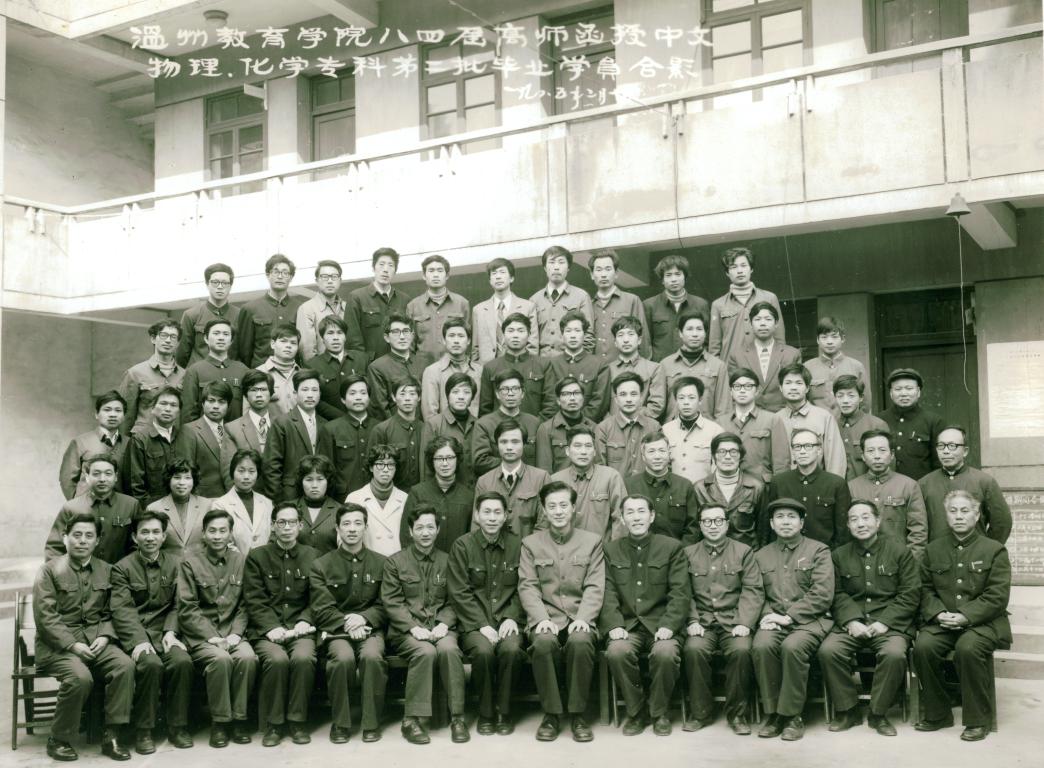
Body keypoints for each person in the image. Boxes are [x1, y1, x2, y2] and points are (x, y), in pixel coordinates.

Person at [912, 490, 1012, 742]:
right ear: (946, 516)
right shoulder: (933, 549)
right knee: (923, 647)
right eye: (953, 511)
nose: (958, 516)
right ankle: (938, 713)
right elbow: (924, 590)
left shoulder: (994, 550)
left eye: (965, 511)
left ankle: (978, 720)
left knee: (968, 648)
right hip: (942, 621)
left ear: (976, 516)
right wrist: (938, 614)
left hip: (983, 623)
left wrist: (965, 616)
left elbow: (997, 596)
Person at [34, 513, 135, 762]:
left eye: (89, 536)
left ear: (97, 540)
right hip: (57, 646)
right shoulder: (48, 571)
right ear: (65, 537)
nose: (82, 541)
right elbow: (45, 617)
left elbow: (113, 610)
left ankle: (111, 736)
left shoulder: (107, 570)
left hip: (96, 641)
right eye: (76, 535)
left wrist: (106, 636)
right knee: (80, 678)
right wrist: (72, 645)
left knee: (124, 666)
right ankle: (59, 738)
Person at [817, 499, 919, 737]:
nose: (860, 524)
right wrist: (851, 621)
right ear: (848, 525)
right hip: (852, 624)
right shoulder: (838, 555)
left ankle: (878, 713)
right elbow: (836, 593)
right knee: (828, 651)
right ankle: (848, 710)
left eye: (865, 517)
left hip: (889, 624)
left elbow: (910, 593)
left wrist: (885, 622)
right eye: (854, 519)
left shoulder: (900, 552)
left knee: (894, 654)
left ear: (878, 521)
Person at [518, 481, 605, 743]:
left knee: (581, 642)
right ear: (544, 510)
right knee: (543, 643)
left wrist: (584, 618)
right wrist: (541, 619)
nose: (558, 511)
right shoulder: (531, 544)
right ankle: (552, 714)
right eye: (552, 506)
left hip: (580, 616)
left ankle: (578, 714)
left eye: (563, 505)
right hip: (547, 616)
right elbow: (528, 585)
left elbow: (595, 585)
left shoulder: (592, 542)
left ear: (573, 508)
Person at [601, 494, 689, 736]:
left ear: (652, 516)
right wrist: (614, 624)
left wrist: (669, 625)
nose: (636, 517)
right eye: (630, 512)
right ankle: (636, 711)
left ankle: (659, 712)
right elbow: (607, 591)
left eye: (641, 511)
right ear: (622, 518)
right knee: (617, 651)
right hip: (627, 625)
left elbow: (680, 592)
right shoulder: (610, 550)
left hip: (662, 625)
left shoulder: (671, 547)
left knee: (665, 653)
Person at [382, 504, 470, 745]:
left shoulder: (449, 561)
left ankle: (458, 718)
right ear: (410, 531)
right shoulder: (395, 563)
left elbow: (456, 599)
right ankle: (411, 720)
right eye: (419, 528)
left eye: (430, 527)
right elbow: (392, 603)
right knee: (425, 651)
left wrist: (444, 624)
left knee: (449, 649)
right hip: (406, 631)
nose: (425, 533)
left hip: (441, 628)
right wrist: (414, 627)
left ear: (438, 529)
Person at [110, 509, 195, 752]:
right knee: (150, 665)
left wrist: (171, 632)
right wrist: (138, 641)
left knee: (182, 662)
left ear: (164, 536)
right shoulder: (122, 568)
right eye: (144, 532)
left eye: (156, 532)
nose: (150, 537)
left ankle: (177, 726)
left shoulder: (177, 564)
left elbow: (179, 604)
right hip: (135, 634)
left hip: (166, 634)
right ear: (134, 537)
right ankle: (144, 730)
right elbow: (122, 609)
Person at [751, 498, 834, 741]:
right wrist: (767, 616)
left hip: (810, 621)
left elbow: (822, 593)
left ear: (801, 523)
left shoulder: (819, 551)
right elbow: (755, 593)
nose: (785, 522)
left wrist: (789, 617)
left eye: (791, 517)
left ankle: (792, 716)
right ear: (771, 524)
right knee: (762, 645)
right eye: (779, 517)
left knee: (792, 647)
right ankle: (773, 713)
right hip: (773, 619)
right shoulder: (761, 556)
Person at [177, 507, 259, 747]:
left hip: (233, 633)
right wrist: (212, 637)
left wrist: (235, 634)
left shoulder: (240, 560)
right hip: (202, 636)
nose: (217, 536)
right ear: (203, 533)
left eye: (223, 530)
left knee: (247, 658)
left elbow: (245, 604)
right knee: (221, 660)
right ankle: (221, 723)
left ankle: (240, 719)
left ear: (231, 534)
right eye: (212, 531)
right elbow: (187, 607)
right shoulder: (190, 563)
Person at [309, 502, 389, 743]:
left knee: (372, 657)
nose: (352, 529)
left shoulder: (382, 563)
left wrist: (363, 618)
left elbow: (386, 604)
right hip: (335, 631)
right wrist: (348, 624)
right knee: (342, 659)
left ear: (365, 527)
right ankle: (341, 723)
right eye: (346, 524)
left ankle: (371, 723)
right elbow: (321, 608)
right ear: (337, 528)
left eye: (357, 523)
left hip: (370, 629)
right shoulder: (321, 565)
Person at [447, 491, 525, 736]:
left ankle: (504, 711)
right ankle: (486, 713)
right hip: (474, 623)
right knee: (482, 652)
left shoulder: (518, 545)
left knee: (512, 650)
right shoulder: (462, 546)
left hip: (508, 620)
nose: (492, 518)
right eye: (487, 512)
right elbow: (459, 592)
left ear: (505, 516)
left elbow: (525, 586)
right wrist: (481, 624)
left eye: (497, 512)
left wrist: (511, 616)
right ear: (477, 516)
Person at [683, 503, 764, 735]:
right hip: (702, 622)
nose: (713, 526)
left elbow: (753, 589)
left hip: (734, 621)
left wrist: (744, 622)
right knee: (694, 650)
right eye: (707, 521)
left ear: (727, 524)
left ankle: (737, 715)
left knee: (741, 651)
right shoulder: (688, 553)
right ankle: (701, 713)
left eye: (718, 520)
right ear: (700, 525)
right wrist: (692, 621)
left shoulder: (743, 551)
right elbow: (683, 592)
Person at [244, 502, 319, 747]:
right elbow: (254, 598)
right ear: (273, 526)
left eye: (292, 522)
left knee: (304, 658)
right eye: (281, 522)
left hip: (301, 629)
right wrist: (270, 626)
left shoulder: (313, 556)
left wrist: (305, 620)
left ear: (300, 525)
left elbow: (318, 597)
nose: (287, 528)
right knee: (277, 660)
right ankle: (274, 724)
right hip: (267, 630)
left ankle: (297, 721)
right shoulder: (257, 556)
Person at [919, 425, 1012, 543]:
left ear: (965, 451)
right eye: (941, 446)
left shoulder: (984, 481)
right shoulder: (924, 484)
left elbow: (1002, 523)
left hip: (975, 552)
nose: (946, 451)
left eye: (952, 446)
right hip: (936, 552)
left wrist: (988, 549)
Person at [848, 429, 928, 558]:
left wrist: (910, 563)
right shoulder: (851, 487)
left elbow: (918, 531)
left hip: (898, 560)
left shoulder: (908, 486)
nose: (877, 456)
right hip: (861, 561)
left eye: (882, 450)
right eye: (871, 451)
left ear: (892, 455)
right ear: (863, 456)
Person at [767, 428, 852, 549]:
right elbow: (769, 526)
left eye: (808, 446)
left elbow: (842, 531)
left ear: (819, 450)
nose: (802, 451)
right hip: (786, 553)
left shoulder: (836, 484)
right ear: (793, 452)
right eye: (797, 447)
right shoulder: (779, 482)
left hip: (824, 553)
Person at [47, 453, 138, 565]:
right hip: (81, 573)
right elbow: (54, 548)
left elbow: (138, 545)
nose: (102, 479)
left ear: (116, 477)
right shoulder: (71, 508)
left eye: (108, 474)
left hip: (120, 572)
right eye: (96, 474)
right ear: (87, 477)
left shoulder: (131, 505)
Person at [263, 369, 336, 502]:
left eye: (314, 390)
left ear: (320, 394)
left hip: (320, 495)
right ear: (295, 394)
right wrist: (279, 500)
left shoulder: (326, 424)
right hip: (290, 495)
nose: (310, 395)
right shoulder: (283, 423)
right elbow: (271, 466)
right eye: (305, 390)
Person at [548, 426, 627, 543]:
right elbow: (547, 521)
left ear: (594, 451)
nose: (583, 452)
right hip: (565, 549)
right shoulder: (555, 480)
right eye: (577, 446)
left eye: (588, 446)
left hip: (601, 550)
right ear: (567, 451)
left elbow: (621, 517)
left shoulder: (611, 477)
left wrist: (613, 549)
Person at [474, 419, 551, 539]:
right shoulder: (484, 482)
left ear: (524, 444)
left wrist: (530, 547)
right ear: (497, 445)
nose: (509, 447)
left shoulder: (541, 478)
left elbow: (544, 523)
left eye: (515, 442)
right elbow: (477, 524)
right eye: (504, 442)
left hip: (531, 548)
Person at [769, 363, 847, 477]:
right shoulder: (775, 419)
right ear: (781, 388)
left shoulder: (824, 417)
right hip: (784, 484)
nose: (793, 387)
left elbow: (835, 459)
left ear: (807, 388)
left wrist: (832, 485)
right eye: (788, 383)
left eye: (799, 383)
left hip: (818, 484)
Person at [709, 247, 785, 362]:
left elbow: (779, 339)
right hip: (731, 367)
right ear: (727, 273)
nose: (739, 271)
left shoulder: (769, 298)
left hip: (764, 364)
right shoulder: (717, 305)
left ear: (751, 269)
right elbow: (714, 348)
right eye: (733, 267)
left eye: (743, 265)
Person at [400, 435, 474, 552]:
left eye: (449, 457)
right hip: (422, 561)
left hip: (458, 561)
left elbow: (471, 538)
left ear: (457, 459)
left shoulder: (468, 496)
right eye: (439, 458)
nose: (445, 463)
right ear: (432, 461)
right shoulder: (418, 493)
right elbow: (406, 536)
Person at [624, 432, 701, 542]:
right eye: (651, 451)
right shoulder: (628, 485)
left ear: (669, 454)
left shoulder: (684, 486)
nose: (657, 456)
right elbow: (622, 525)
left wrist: (681, 551)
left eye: (662, 451)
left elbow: (692, 527)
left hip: (677, 551)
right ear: (643, 456)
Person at [477, 312, 555, 420]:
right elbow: (485, 409)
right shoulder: (490, 367)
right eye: (510, 331)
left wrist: (535, 426)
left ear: (529, 334)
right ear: (503, 334)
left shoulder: (543, 365)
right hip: (499, 429)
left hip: (534, 428)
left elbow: (550, 405)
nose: (515, 335)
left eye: (520, 331)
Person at [695, 433, 766, 549]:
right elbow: (695, 531)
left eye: (733, 452)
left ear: (740, 456)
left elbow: (764, 530)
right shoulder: (700, 488)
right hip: (711, 553)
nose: (728, 457)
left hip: (748, 554)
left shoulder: (756, 487)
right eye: (722, 452)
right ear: (713, 456)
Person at [727, 302, 801, 414]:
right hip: (749, 416)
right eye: (757, 319)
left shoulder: (792, 354)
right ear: (751, 324)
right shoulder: (737, 355)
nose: (763, 323)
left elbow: (797, 390)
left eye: (768, 319)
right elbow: (733, 393)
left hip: (784, 416)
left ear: (776, 323)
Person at [118, 320, 186, 437]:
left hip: (174, 439)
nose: (168, 340)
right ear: (153, 339)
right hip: (143, 439)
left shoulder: (185, 375)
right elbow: (125, 415)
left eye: (173, 337)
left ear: (178, 343)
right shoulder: (135, 373)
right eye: (163, 335)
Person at [237, 254, 306, 368]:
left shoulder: (301, 308)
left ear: (291, 277)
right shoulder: (250, 308)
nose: (280, 276)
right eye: (276, 272)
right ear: (268, 275)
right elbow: (244, 350)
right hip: (261, 372)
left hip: (291, 372)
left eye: (285, 273)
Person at [660, 311, 730, 422]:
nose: (695, 334)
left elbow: (723, 408)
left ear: (705, 333)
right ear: (680, 333)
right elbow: (659, 405)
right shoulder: (665, 365)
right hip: (673, 428)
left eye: (699, 329)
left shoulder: (718, 366)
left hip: (707, 429)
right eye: (689, 329)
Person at [406, 254, 471, 371]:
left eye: (440, 271)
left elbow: (468, 340)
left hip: (455, 370)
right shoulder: (413, 306)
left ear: (447, 275)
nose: (435, 275)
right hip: (422, 370)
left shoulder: (461, 303)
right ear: (424, 276)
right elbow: (409, 345)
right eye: (431, 271)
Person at [59, 391, 128, 500]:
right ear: (96, 414)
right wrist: (77, 504)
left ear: (124, 416)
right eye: (107, 410)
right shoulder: (80, 442)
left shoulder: (130, 443)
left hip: (119, 506)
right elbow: (67, 479)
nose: (113, 414)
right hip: (87, 506)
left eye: (118, 410)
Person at [879, 367, 945, 480]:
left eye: (909, 388)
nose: (904, 393)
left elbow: (939, 463)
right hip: (886, 486)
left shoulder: (934, 422)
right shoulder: (879, 420)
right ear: (891, 393)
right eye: (898, 389)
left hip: (920, 486)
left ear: (918, 392)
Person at [643, 254, 710, 363]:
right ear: (662, 280)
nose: (673, 279)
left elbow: (707, 341)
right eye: (668, 275)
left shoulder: (700, 304)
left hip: (693, 365)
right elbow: (645, 342)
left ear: (685, 277)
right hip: (660, 367)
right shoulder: (649, 305)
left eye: (678, 274)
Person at [345, 247, 410, 360]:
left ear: (395, 271)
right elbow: (353, 340)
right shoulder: (357, 297)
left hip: (399, 363)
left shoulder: (404, 300)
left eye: (390, 265)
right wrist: (362, 364)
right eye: (381, 264)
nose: (385, 270)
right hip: (369, 365)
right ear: (373, 267)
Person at [472, 369, 541, 476]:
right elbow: (480, 462)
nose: (510, 393)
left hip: (530, 482)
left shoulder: (534, 423)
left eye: (515, 389)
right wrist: (513, 464)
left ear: (522, 393)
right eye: (505, 389)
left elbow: (540, 460)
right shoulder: (484, 424)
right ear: (497, 394)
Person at [529, 245, 594, 358]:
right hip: (542, 363)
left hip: (571, 362)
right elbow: (531, 338)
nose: (556, 267)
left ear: (568, 268)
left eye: (561, 262)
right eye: (552, 262)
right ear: (545, 268)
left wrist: (579, 362)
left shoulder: (581, 296)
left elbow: (588, 336)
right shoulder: (534, 300)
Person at [594, 372, 662, 480]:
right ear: (616, 399)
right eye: (623, 394)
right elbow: (600, 469)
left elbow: (661, 464)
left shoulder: (654, 427)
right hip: (616, 488)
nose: (628, 399)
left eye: (633, 394)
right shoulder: (603, 429)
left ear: (641, 397)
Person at [545, 311, 610, 422]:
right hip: (557, 426)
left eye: (577, 330)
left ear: (584, 334)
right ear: (562, 335)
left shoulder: (599, 365)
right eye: (568, 331)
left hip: (588, 426)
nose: (573, 335)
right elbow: (550, 401)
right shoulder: (552, 364)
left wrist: (579, 423)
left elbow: (599, 403)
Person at [180, 319, 250, 423]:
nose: (221, 338)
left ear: (231, 340)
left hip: (237, 431)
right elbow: (188, 412)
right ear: (206, 338)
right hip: (204, 432)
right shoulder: (195, 370)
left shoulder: (242, 370)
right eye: (216, 333)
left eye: (226, 334)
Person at [471, 257, 540, 363]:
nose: (498, 276)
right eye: (494, 273)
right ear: (490, 280)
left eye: (502, 272)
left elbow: (533, 346)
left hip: (518, 367)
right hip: (486, 368)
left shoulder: (528, 307)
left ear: (511, 278)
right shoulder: (478, 310)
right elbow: (475, 348)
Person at [345, 444, 409, 557]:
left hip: (398, 563)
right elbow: (344, 538)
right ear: (371, 467)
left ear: (396, 468)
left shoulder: (405, 498)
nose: (385, 469)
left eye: (390, 465)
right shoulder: (354, 498)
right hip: (366, 563)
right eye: (380, 464)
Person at [175, 380, 236, 498]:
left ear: (228, 405)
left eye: (221, 402)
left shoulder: (232, 429)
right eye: (211, 400)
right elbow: (185, 471)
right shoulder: (189, 430)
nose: (216, 406)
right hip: (203, 498)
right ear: (203, 404)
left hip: (232, 497)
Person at [303, 315, 369, 421]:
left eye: (339, 333)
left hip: (363, 420)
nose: (335, 338)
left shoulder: (362, 358)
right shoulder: (312, 365)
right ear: (322, 338)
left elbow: (372, 392)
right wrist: (342, 419)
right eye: (330, 333)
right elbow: (315, 400)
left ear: (345, 337)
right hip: (331, 423)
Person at [126, 386, 183, 510]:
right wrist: (150, 510)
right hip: (152, 510)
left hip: (182, 506)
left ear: (179, 411)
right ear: (152, 409)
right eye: (163, 403)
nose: (168, 409)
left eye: (173, 405)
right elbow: (135, 486)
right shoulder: (140, 440)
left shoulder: (185, 437)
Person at [662, 376, 724, 486]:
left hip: (704, 492)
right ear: (676, 401)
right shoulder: (665, 430)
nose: (686, 402)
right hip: (674, 492)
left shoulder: (715, 431)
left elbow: (719, 468)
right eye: (681, 398)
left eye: (691, 398)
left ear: (700, 400)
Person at [589, 251, 650, 362]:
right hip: (596, 369)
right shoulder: (588, 305)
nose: (603, 274)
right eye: (599, 270)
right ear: (592, 275)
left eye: (608, 269)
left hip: (626, 368)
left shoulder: (632, 300)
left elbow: (643, 341)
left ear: (616, 273)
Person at [177, 263, 241, 367]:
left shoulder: (241, 315)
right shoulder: (191, 315)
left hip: (231, 373)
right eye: (215, 282)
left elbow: (245, 351)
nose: (220, 287)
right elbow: (181, 355)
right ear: (207, 284)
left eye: (225, 283)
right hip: (200, 374)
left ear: (230, 286)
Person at [209, 449, 272, 554]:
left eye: (251, 471)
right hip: (235, 562)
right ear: (232, 472)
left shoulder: (267, 503)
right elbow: (224, 542)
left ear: (258, 474)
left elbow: (273, 535)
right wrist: (243, 561)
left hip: (265, 560)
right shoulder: (220, 505)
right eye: (241, 471)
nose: (246, 476)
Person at [366, 313, 427, 421]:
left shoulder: (424, 363)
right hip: (394, 426)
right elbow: (380, 409)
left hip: (424, 426)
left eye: (406, 331)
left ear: (412, 335)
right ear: (386, 337)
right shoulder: (377, 367)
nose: (402, 337)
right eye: (396, 332)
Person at [718, 368, 775, 484]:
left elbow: (781, 462)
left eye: (748, 386)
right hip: (729, 484)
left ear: (757, 391)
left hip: (763, 485)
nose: (742, 390)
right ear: (731, 391)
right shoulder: (720, 422)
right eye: (737, 386)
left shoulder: (772, 419)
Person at [419, 371, 476, 485]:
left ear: (472, 397)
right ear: (447, 396)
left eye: (466, 392)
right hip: (444, 489)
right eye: (455, 392)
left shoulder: (479, 424)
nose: (461, 397)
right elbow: (426, 467)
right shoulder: (433, 424)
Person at [803, 317, 869, 415]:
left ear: (843, 339)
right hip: (817, 423)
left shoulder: (856, 366)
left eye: (834, 337)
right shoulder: (807, 367)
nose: (829, 341)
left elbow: (865, 404)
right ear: (817, 340)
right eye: (824, 337)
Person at [420, 316, 482, 421]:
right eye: (451, 336)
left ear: (468, 341)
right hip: (442, 430)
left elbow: (485, 412)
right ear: (444, 340)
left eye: (461, 336)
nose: (456, 341)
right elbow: (430, 415)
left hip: (475, 430)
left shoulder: (479, 371)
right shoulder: (432, 372)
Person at [606, 315, 666, 420]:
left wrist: (632, 418)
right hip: (612, 426)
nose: (626, 340)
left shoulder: (654, 369)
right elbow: (602, 406)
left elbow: (656, 406)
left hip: (643, 425)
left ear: (639, 340)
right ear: (615, 342)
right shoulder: (607, 370)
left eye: (630, 334)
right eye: (620, 335)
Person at [535, 375, 598, 474]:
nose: (572, 398)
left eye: (576, 393)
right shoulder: (546, 429)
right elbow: (544, 471)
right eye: (566, 394)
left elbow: (598, 466)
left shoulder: (594, 428)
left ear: (583, 398)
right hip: (558, 483)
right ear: (558, 400)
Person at [147, 458, 210, 555]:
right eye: (177, 477)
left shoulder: (207, 505)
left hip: (200, 562)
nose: (182, 482)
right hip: (168, 563)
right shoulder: (154, 509)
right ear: (169, 480)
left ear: (194, 480)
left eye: (187, 478)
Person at [370, 376, 423, 491]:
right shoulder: (381, 430)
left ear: (419, 397)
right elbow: (373, 467)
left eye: (412, 394)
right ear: (394, 397)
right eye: (402, 394)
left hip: (421, 494)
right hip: (391, 494)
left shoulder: (426, 429)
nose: (407, 399)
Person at [326, 374, 374, 499]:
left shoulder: (379, 428)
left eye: (363, 393)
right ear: (343, 399)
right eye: (352, 393)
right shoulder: (331, 429)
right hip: (343, 497)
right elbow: (327, 471)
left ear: (369, 398)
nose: (358, 397)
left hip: (375, 496)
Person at [833, 374, 889, 479]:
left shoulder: (876, 425)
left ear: (861, 398)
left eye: (851, 395)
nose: (845, 400)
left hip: (867, 487)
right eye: (840, 396)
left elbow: (887, 465)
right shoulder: (831, 425)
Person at [296, 259, 347, 359]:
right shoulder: (306, 309)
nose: (330, 281)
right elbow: (307, 350)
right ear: (317, 281)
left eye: (334, 277)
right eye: (324, 277)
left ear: (340, 280)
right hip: (321, 367)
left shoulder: (347, 307)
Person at [294, 455, 341, 555]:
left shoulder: (339, 510)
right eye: (309, 479)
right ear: (301, 482)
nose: (314, 485)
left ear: (328, 481)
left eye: (320, 479)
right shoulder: (289, 508)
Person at [256, 323, 302, 417]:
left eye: (293, 343)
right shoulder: (259, 373)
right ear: (273, 344)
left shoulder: (303, 375)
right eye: (283, 341)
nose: (288, 346)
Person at [225, 370, 276, 454]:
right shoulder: (232, 428)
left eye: (263, 389)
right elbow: (230, 462)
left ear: (270, 393)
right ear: (246, 395)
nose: (259, 395)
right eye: (253, 390)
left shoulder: (283, 425)